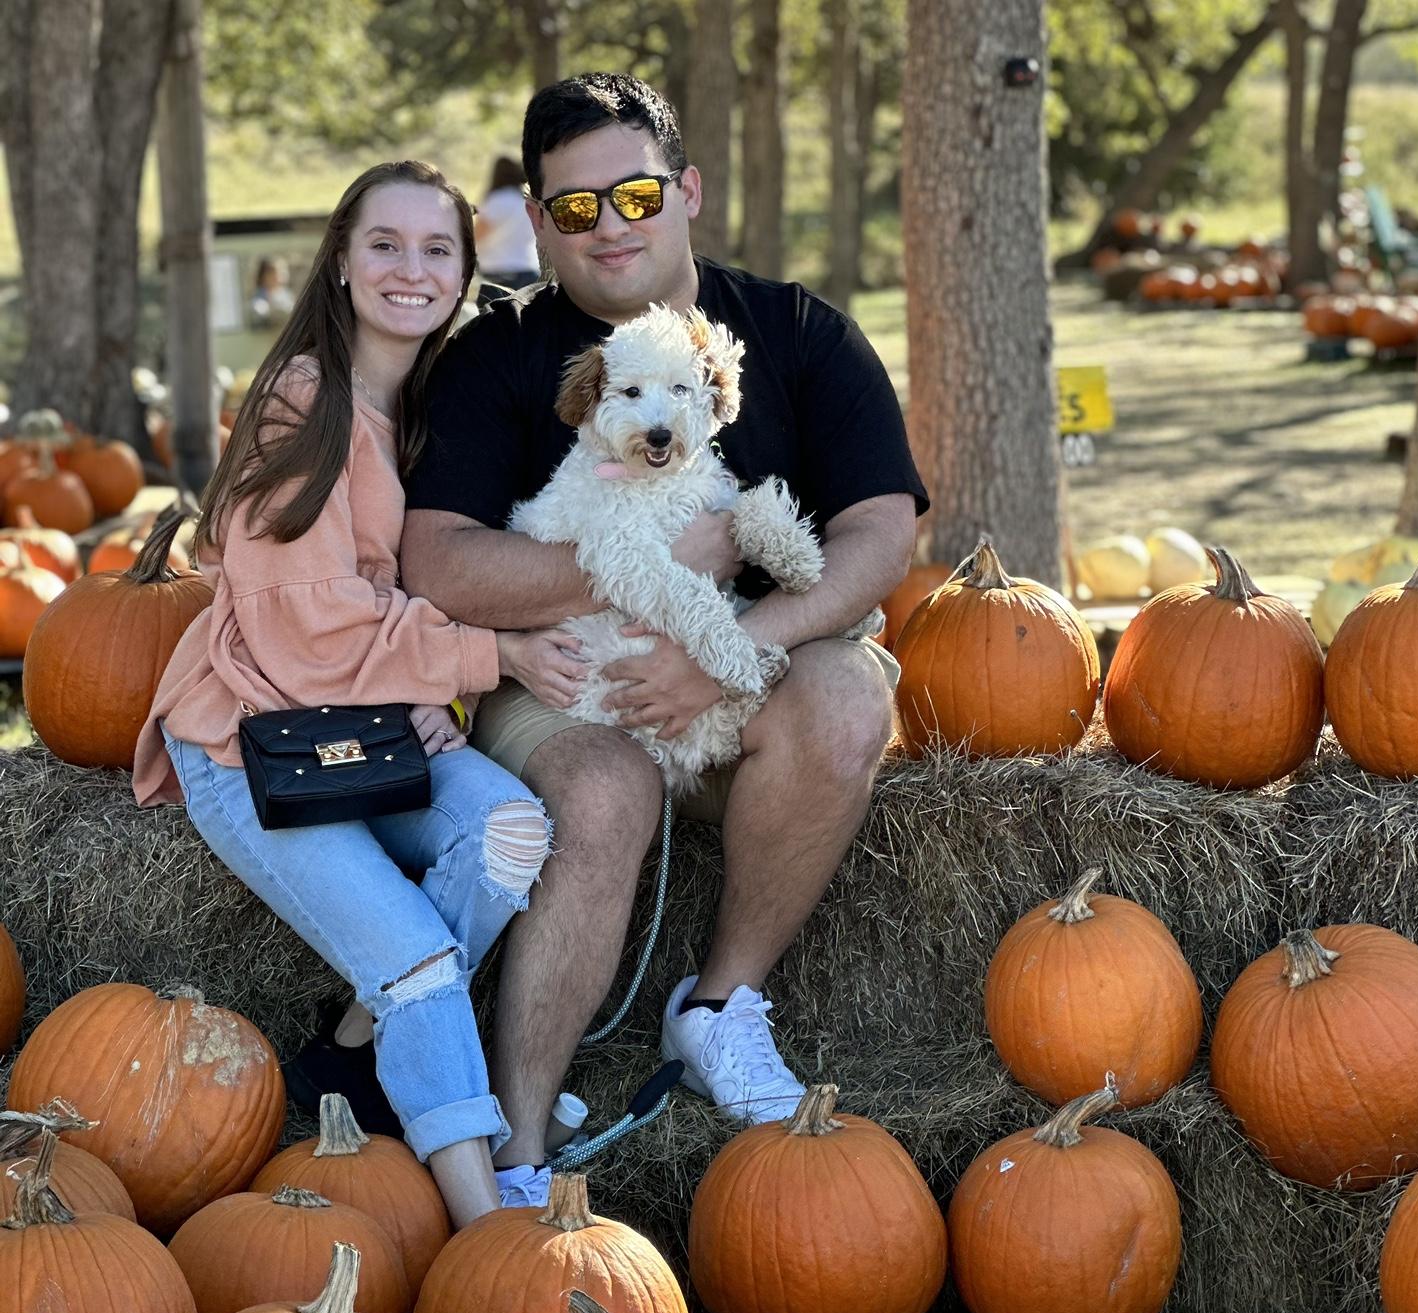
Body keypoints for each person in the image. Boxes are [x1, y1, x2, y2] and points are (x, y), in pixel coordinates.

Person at [399, 73, 926, 1209]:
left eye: (633, 192)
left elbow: (882, 528)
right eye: (575, 207)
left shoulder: (793, 332)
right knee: (600, 793)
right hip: (563, 671)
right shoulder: (498, 357)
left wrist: (739, 640)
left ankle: (720, 1008)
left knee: (846, 699)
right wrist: (637, 569)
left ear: (686, 189)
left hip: (749, 669)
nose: (610, 225)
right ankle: (521, 1148)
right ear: (537, 222)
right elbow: (436, 559)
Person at [132, 160, 556, 1226]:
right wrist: (483, 661)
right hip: (252, 738)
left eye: (437, 248)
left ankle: (357, 1056)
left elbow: (419, 592)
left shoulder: (431, 409)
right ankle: (484, 1218)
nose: (410, 269)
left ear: (465, 268)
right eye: (385, 244)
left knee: (510, 832)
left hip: (367, 724)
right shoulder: (303, 404)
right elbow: (312, 630)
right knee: (417, 957)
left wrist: (440, 694)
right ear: (341, 259)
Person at [475, 155, 541, 296]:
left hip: (497, 272)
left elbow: (478, 236)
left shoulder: (496, 200)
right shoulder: (528, 201)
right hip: (529, 269)